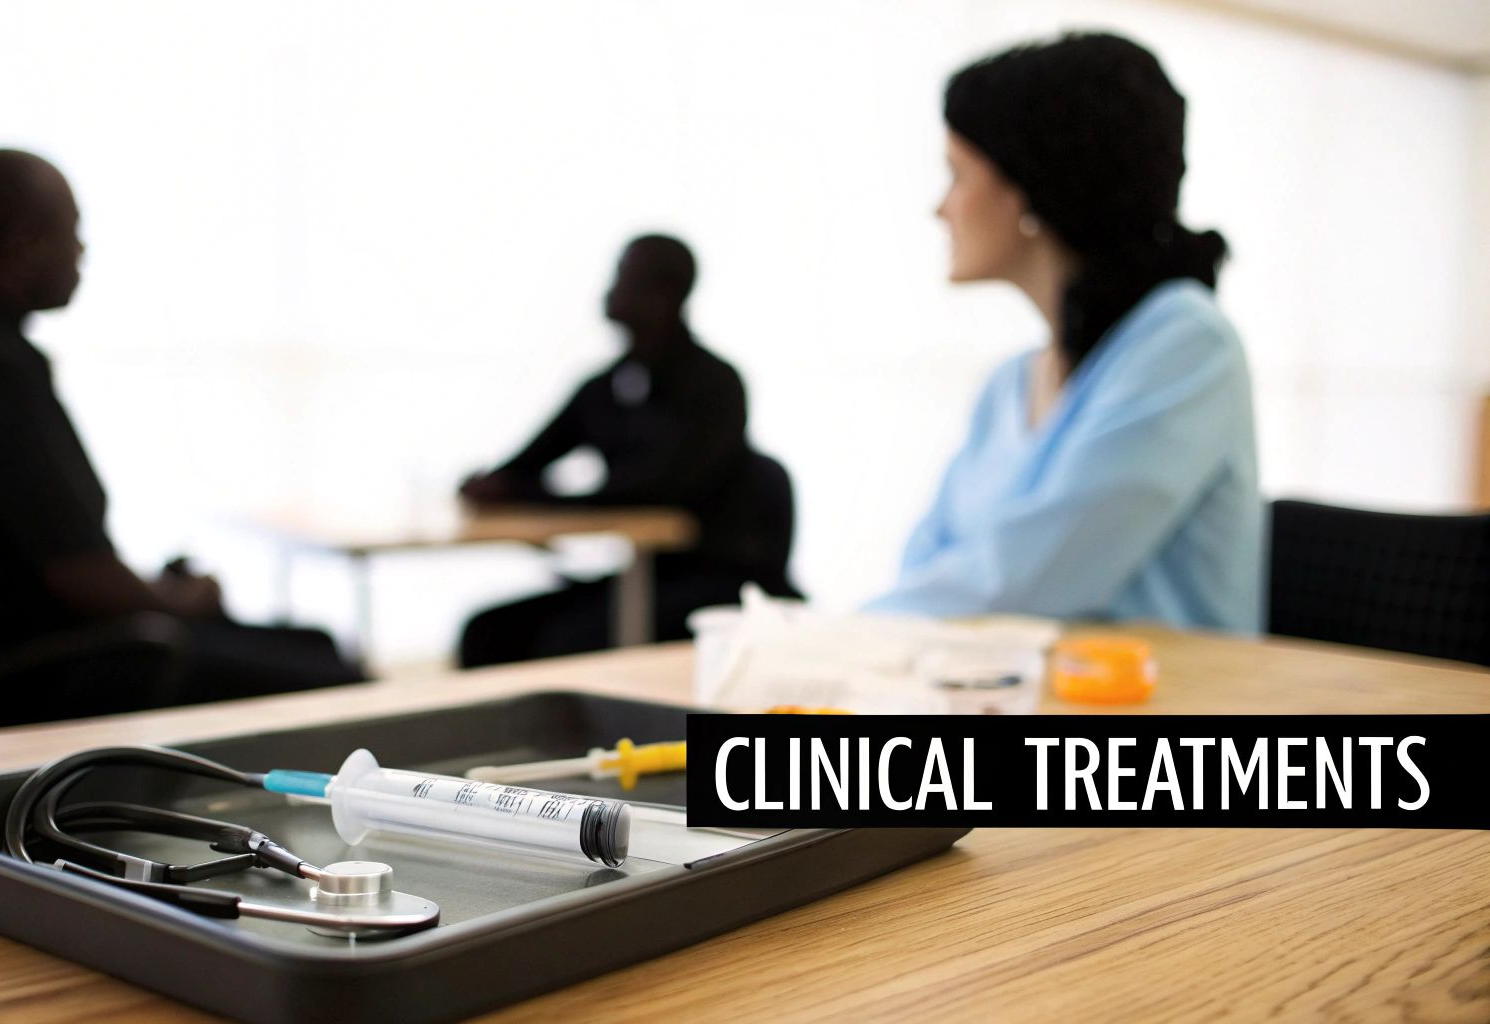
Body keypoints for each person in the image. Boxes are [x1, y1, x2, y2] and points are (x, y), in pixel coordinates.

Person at [0, 149, 360, 721]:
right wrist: (181, 600)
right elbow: (81, 576)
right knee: (336, 677)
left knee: (308, 646)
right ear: (26, 244)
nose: (81, 251)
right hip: (12, 681)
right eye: (72, 233)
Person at [866, 33, 1261, 632]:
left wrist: (828, 635)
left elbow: (1029, 584)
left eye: (957, 176)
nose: (939, 208)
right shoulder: (1006, 387)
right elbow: (926, 566)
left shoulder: (1188, 345)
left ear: (1029, 188)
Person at [458, 235, 799, 667]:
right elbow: (525, 465)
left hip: (714, 578)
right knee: (486, 633)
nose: (611, 291)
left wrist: (531, 497)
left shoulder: (715, 386)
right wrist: (492, 485)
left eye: (624, 277)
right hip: (639, 578)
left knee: (567, 642)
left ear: (664, 294)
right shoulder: (605, 388)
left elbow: (657, 491)